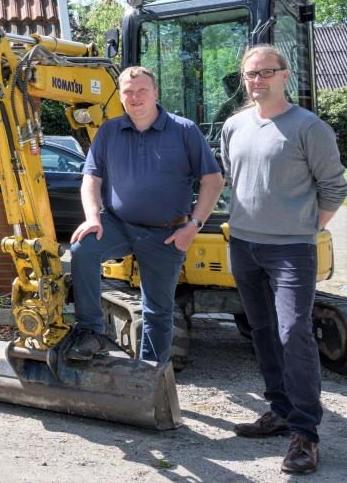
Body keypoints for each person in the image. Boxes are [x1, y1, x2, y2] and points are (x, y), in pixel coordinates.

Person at [223, 45, 346, 475]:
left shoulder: (308, 127)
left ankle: (306, 435)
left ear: (284, 76)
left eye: (265, 72)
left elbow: (333, 188)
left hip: (291, 249)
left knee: (294, 331)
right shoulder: (234, 126)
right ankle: (279, 411)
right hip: (243, 245)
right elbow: (234, 178)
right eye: (249, 74)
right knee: (261, 331)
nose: (256, 80)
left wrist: (305, 226)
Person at [66, 66, 224, 364]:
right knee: (83, 249)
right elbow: (91, 179)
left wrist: (194, 225)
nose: (135, 97)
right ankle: (90, 331)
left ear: (155, 93)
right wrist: (92, 217)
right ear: (121, 96)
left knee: (158, 310)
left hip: (167, 232)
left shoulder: (184, 130)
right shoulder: (109, 131)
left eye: (141, 91)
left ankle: (152, 375)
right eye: (128, 91)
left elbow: (213, 181)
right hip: (117, 224)